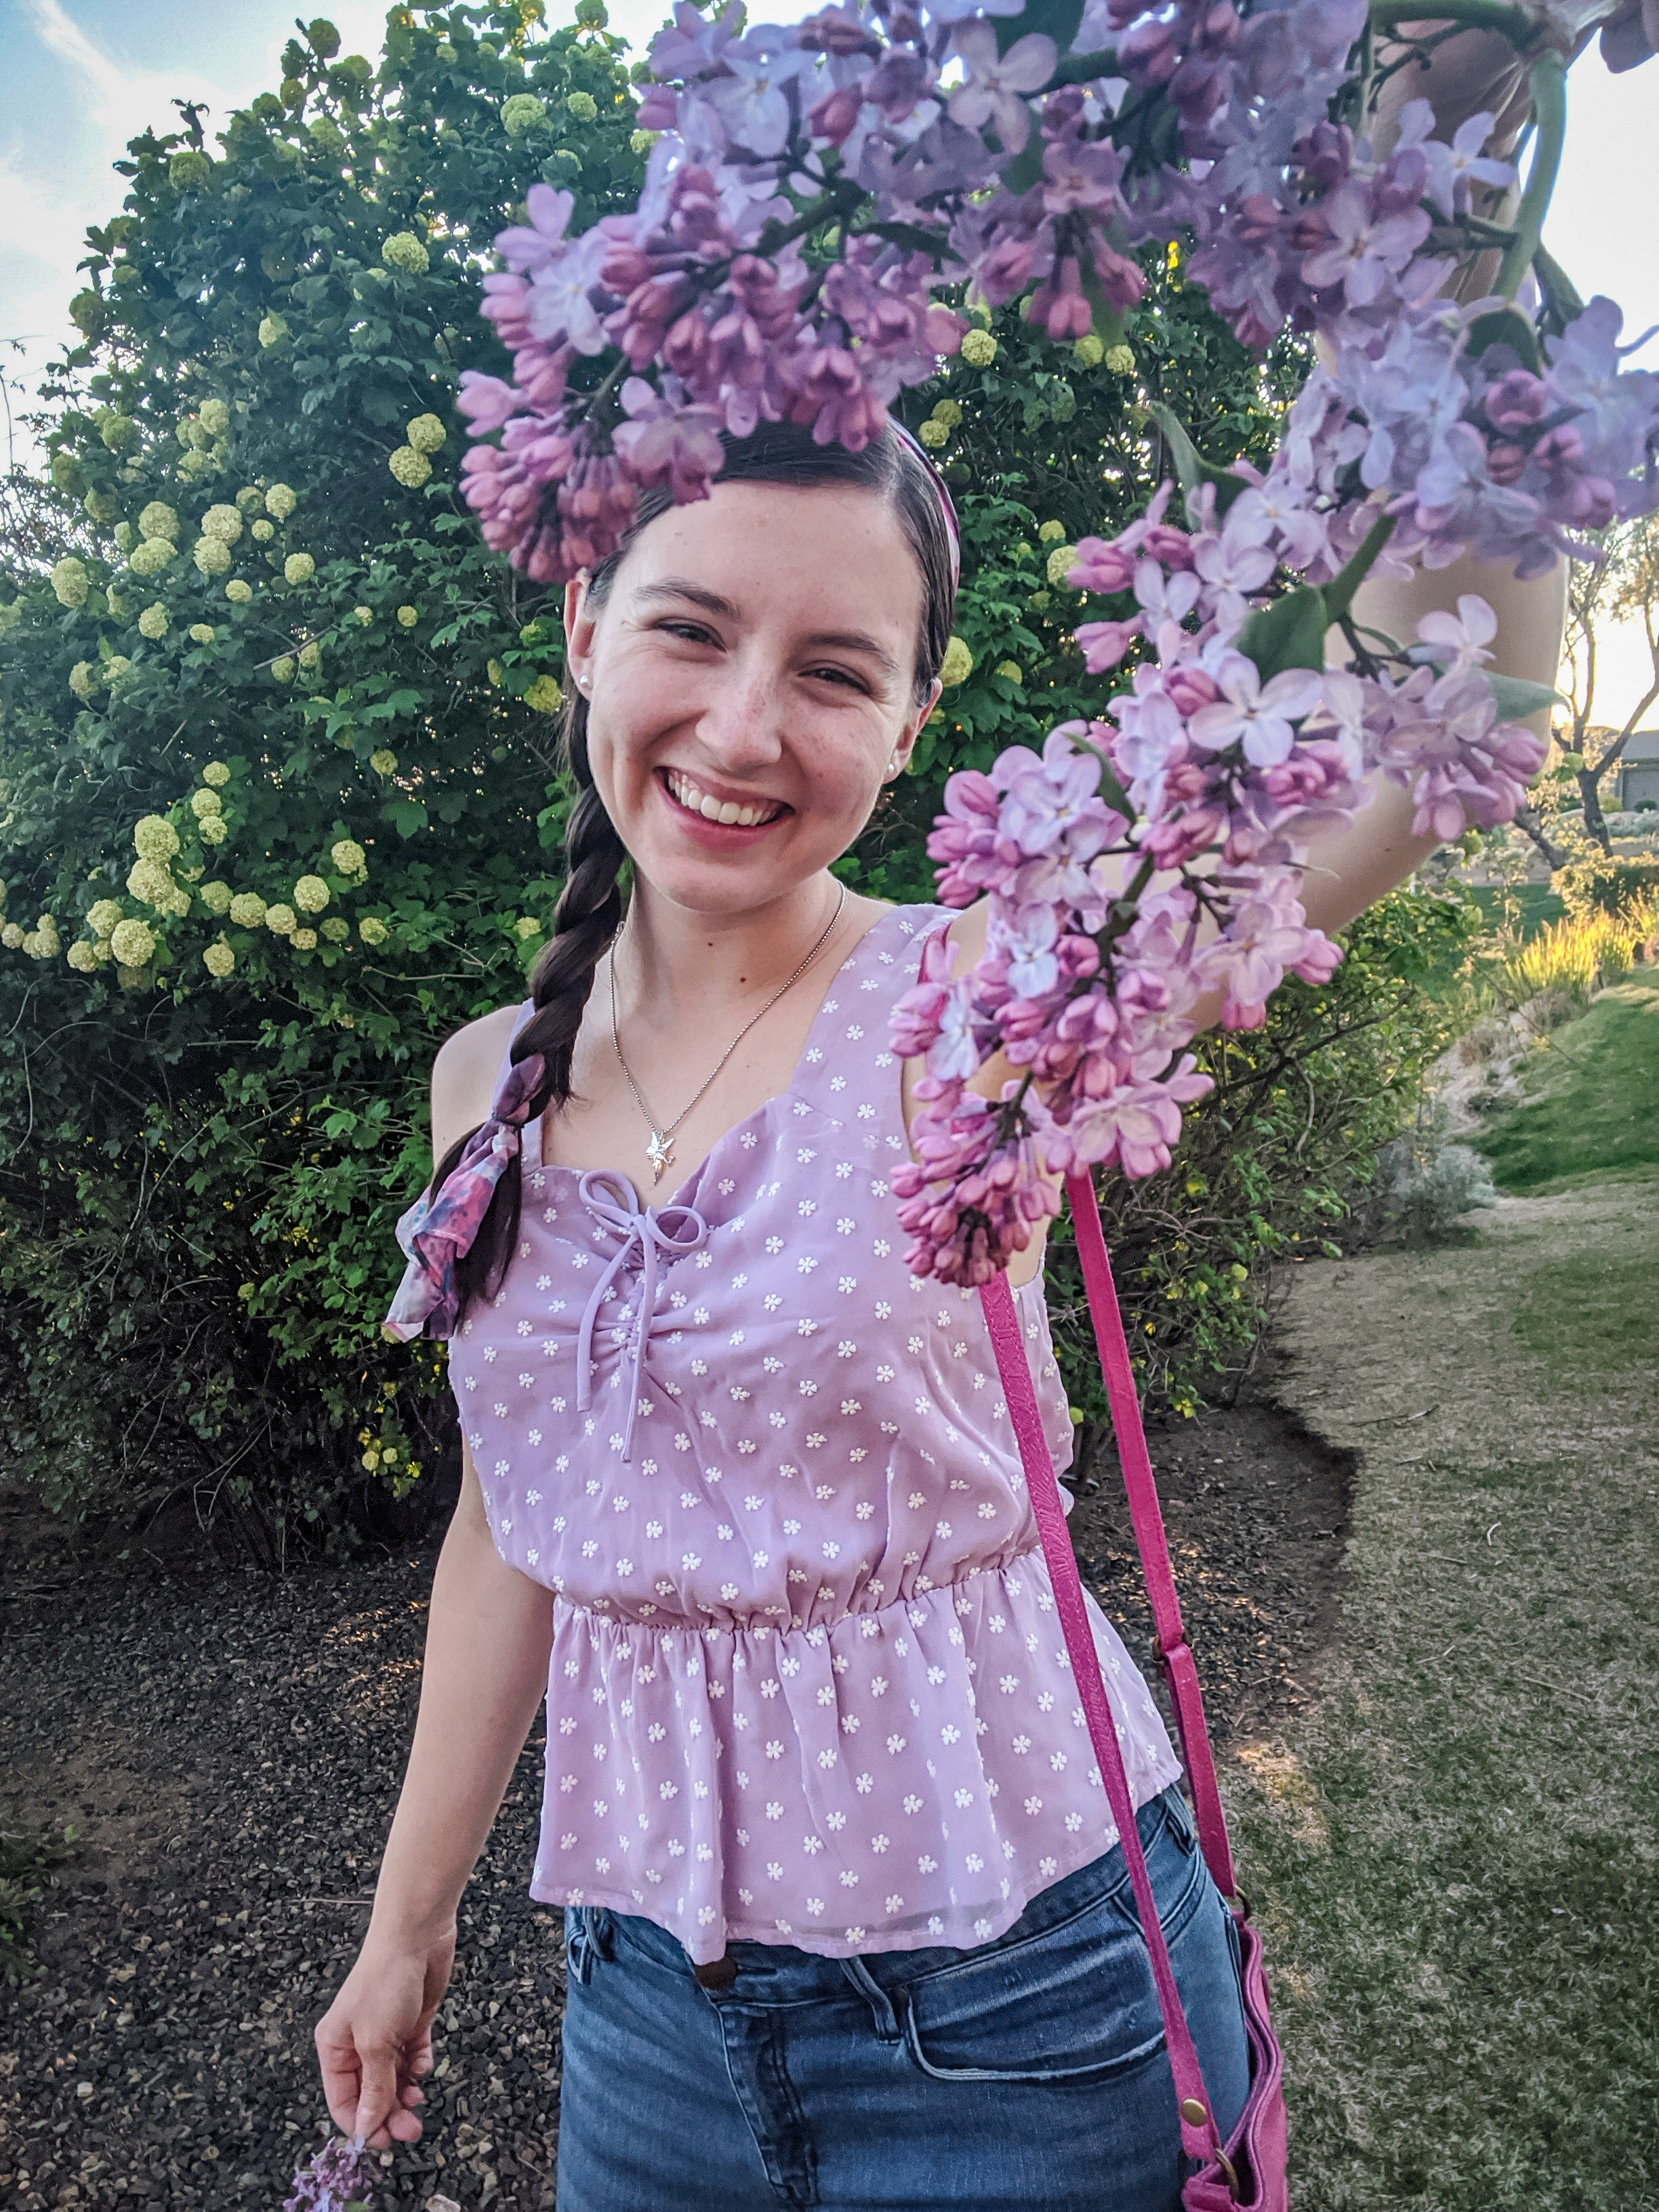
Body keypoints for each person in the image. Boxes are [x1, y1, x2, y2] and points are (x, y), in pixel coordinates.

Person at [313, 197, 1561, 2212]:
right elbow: (511, 1527)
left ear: (907, 725)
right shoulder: (491, 1075)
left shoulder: (992, 998)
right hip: (642, 2011)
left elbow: (1453, 731)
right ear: (583, 634)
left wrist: (1454, 236)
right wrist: (409, 1920)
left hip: (1028, 1994)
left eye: (832, 670)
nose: (741, 728)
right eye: (692, 630)